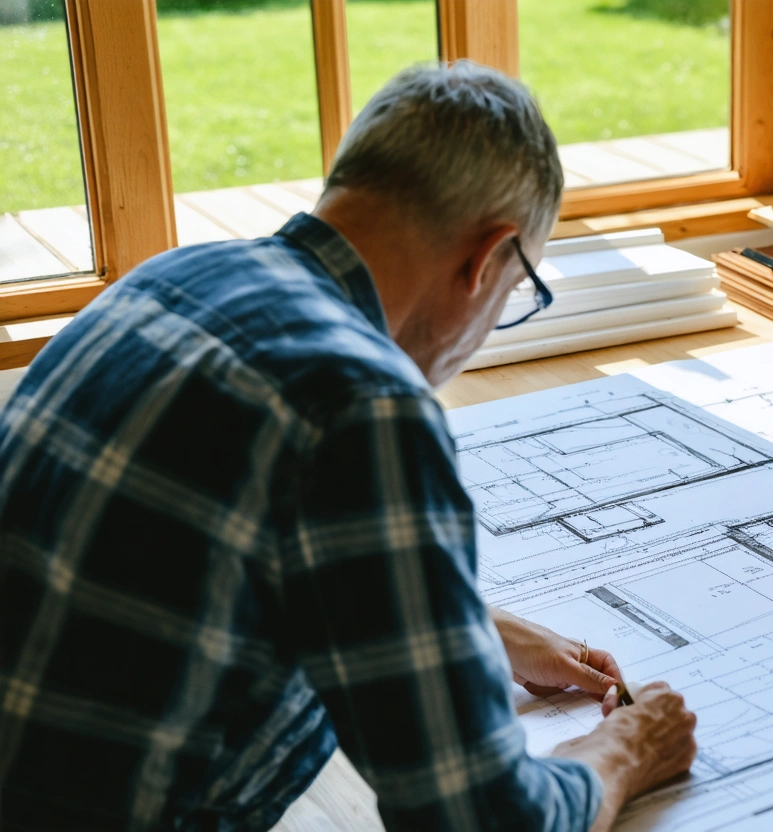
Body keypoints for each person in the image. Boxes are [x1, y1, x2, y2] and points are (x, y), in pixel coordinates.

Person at [0, 61, 696, 831]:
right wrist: (628, 748)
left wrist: (473, 627)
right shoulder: (363, 402)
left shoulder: (169, 278)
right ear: (487, 261)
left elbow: (190, 564)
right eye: (518, 291)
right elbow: (484, 819)